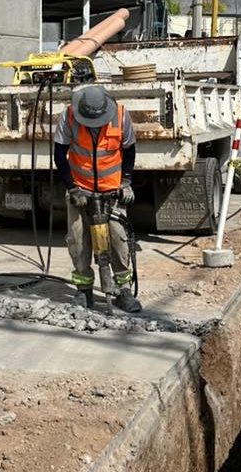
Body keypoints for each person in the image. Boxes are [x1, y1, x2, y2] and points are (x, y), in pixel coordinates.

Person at [53, 84, 142, 313]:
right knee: (78, 239)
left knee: (118, 238)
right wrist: (72, 189)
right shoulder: (68, 116)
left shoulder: (121, 116)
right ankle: (84, 291)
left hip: (111, 189)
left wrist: (126, 182)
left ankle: (123, 290)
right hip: (80, 188)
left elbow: (129, 150)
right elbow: (59, 154)